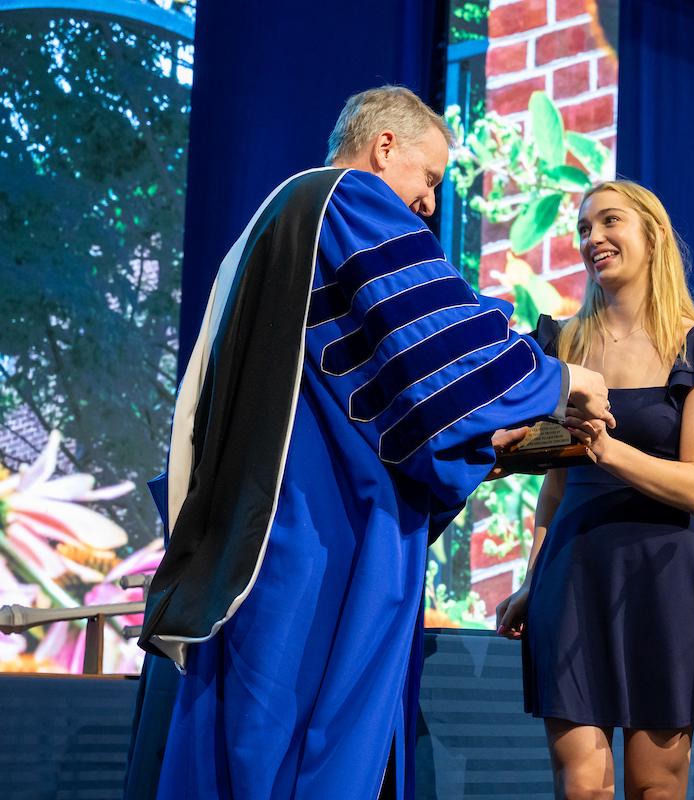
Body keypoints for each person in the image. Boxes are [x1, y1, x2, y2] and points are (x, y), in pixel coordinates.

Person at [134, 85, 614, 800]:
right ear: (384, 146)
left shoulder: (271, 224)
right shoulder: (346, 199)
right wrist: (560, 376)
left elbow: (367, 391)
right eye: (429, 179)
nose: (427, 204)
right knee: (302, 746)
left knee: (244, 747)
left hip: (253, 528)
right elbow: (438, 340)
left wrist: (496, 435)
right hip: (315, 534)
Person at [495, 179, 694, 800]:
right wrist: (533, 581)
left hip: (663, 577)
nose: (594, 239)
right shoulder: (560, 345)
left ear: (653, 235)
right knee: (581, 784)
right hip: (573, 573)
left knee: (655, 786)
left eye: (610, 222)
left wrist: (606, 450)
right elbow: (554, 489)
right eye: (585, 229)